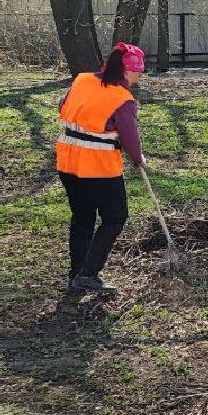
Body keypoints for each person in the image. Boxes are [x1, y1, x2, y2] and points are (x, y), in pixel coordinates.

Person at [55, 43, 147, 292]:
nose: (139, 78)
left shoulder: (82, 80)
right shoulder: (123, 99)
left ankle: (76, 274)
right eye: (139, 72)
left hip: (67, 160)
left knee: (82, 217)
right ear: (128, 72)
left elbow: (62, 107)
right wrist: (139, 158)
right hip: (98, 166)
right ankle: (89, 272)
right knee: (115, 217)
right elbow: (129, 137)